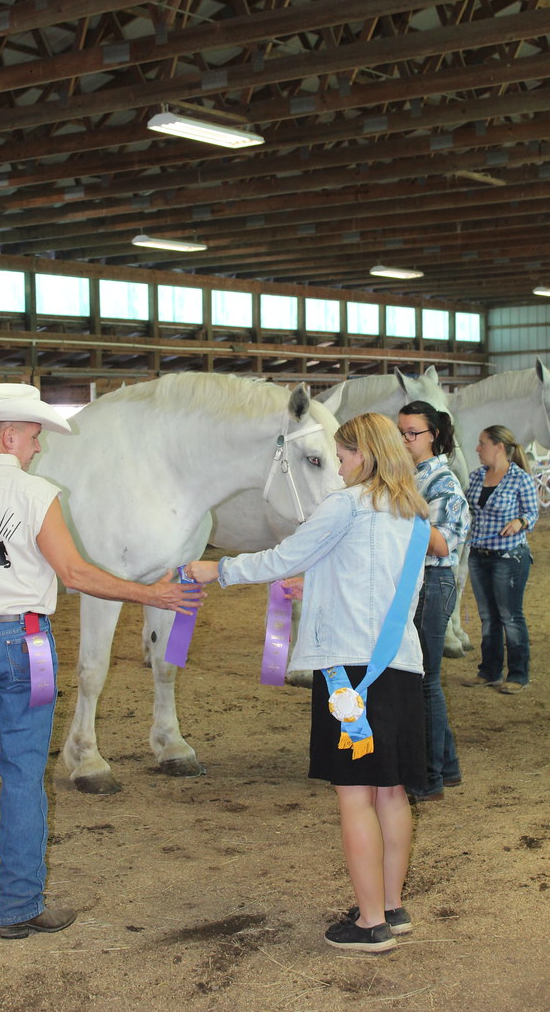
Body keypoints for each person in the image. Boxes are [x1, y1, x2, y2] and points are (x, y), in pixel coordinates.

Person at [0, 383, 203, 940]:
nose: (37, 447)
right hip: (23, 645)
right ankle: (17, 906)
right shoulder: (38, 494)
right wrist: (151, 594)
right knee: (23, 774)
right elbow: (75, 574)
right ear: (8, 436)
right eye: (33, 436)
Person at [187, 413, 430, 954]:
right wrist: (317, 584)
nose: (338, 468)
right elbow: (381, 586)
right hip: (399, 666)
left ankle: (369, 923)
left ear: (363, 454)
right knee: (391, 792)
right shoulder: (413, 516)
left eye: (342, 457)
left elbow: (285, 556)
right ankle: (391, 907)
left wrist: (218, 570)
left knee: (355, 798)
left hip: (349, 675)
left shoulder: (346, 505)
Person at [397, 402, 470, 801]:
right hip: (414, 584)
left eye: (413, 433)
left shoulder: (443, 482)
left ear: (434, 436)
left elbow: (442, 544)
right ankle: (448, 765)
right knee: (423, 678)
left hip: (432, 582)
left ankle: (428, 779)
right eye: (401, 432)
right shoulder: (408, 476)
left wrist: (400, 509)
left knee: (424, 680)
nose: (405, 439)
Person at [463, 424, 538, 693]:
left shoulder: (520, 479)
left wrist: (520, 521)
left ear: (498, 447)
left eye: (482, 443)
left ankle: (518, 674)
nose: (477, 448)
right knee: (488, 616)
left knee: (510, 616)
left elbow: (532, 513)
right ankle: (489, 671)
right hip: (478, 555)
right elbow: (467, 512)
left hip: (509, 557)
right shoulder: (475, 477)